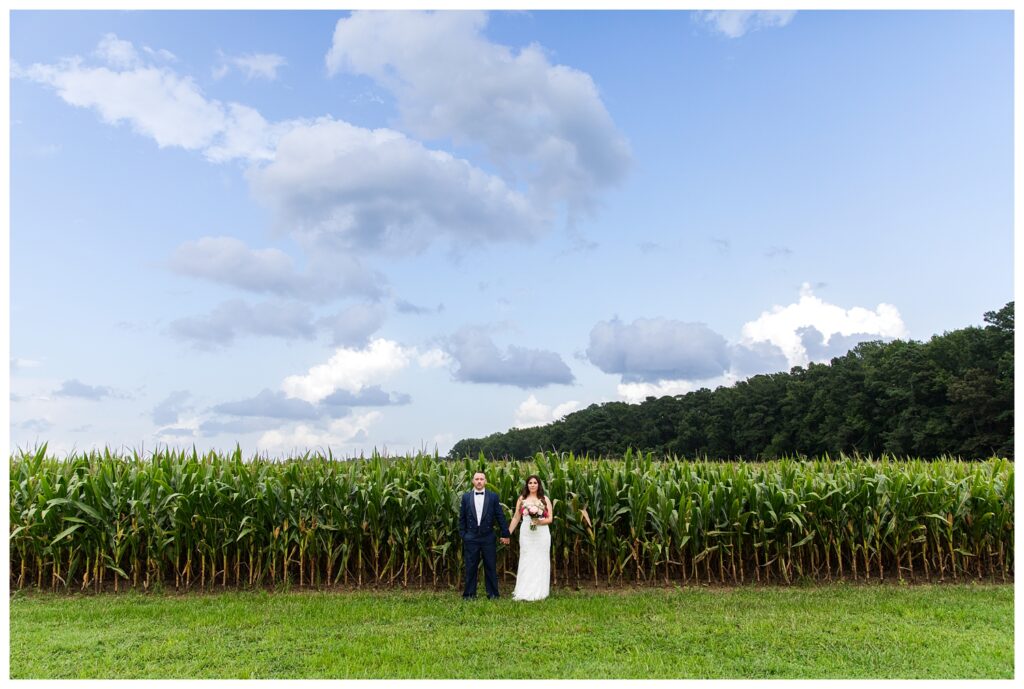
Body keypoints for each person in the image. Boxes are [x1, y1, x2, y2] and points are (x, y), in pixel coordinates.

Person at [458, 470, 510, 599]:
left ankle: (493, 594)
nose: (479, 481)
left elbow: (500, 515)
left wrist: (505, 533)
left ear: (485, 481)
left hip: (488, 537)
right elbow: (462, 518)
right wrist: (464, 534)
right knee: (470, 566)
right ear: (472, 481)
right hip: (471, 537)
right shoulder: (466, 497)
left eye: (481, 479)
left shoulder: (493, 497)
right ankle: (469, 594)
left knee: (490, 566)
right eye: (477, 479)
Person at [507, 474, 553, 601]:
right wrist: (508, 533)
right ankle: (524, 590)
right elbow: (516, 517)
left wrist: (539, 522)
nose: (532, 485)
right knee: (527, 558)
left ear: (539, 485)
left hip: (541, 534)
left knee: (540, 559)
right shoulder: (522, 499)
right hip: (527, 533)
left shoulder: (544, 499)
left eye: (535, 483)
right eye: (530, 483)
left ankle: (540, 591)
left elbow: (550, 518)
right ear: (527, 485)